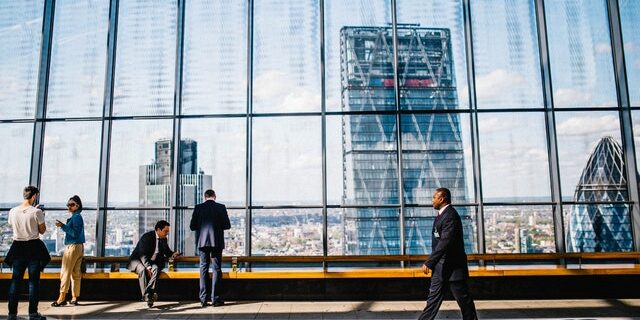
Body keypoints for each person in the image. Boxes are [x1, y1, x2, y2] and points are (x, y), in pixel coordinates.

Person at [419, 188, 477, 320]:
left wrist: (429, 262)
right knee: (432, 302)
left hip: (453, 268)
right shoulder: (442, 215)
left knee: (464, 301)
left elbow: (445, 242)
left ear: (442, 199)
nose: (432, 200)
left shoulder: (450, 216)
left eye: (434, 197)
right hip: (441, 268)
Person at [5, 186, 50, 320]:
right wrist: (40, 214)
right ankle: (33, 313)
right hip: (33, 248)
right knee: (33, 282)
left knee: (15, 282)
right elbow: (42, 231)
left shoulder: (13, 211)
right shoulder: (36, 212)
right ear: (34, 196)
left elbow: (12, 225)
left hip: (17, 247)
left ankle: (12, 314)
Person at [190, 189, 231, 307]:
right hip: (216, 242)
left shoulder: (198, 208)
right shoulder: (221, 207)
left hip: (202, 242)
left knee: (203, 268)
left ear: (204, 197)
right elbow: (227, 225)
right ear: (215, 196)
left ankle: (203, 299)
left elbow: (192, 226)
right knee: (216, 269)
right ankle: (215, 299)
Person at [128, 220, 180, 307]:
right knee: (142, 269)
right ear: (158, 230)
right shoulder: (147, 237)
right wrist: (148, 267)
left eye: (168, 231)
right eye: (165, 231)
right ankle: (149, 296)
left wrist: (173, 254)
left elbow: (167, 251)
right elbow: (142, 254)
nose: (167, 233)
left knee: (156, 268)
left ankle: (148, 294)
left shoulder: (164, 239)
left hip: (151, 262)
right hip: (137, 260)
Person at [51, 195, 86, 307]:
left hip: (72, 247)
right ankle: (74, 297)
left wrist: (62, 226)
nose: (69, 207)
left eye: (71, 205)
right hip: (79, 247)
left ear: (78, 205)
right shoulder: (77, 217)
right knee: (76, 273)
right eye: (68, 205)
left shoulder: (76, 217)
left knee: (65, 272)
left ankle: (62, 298)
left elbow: (74, 233)